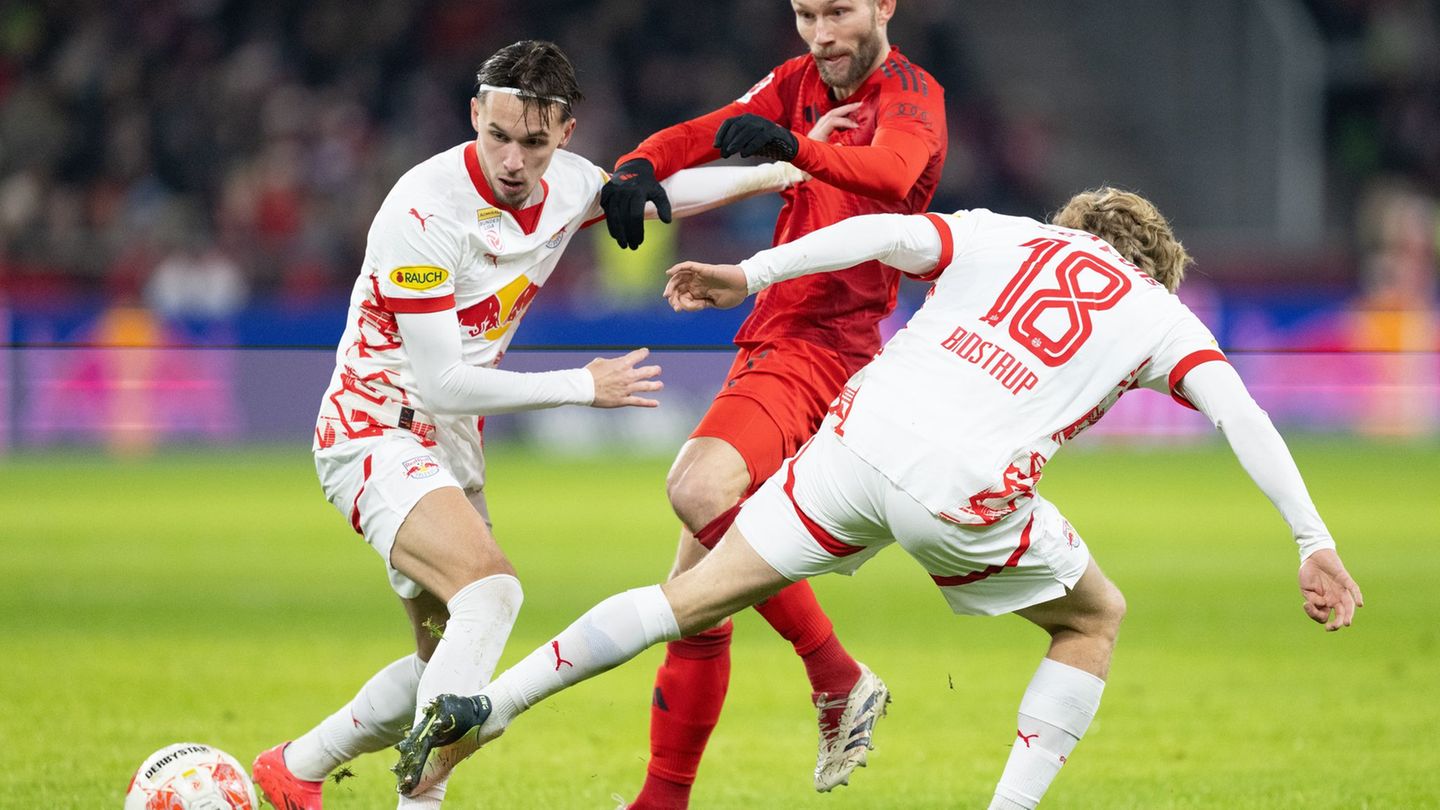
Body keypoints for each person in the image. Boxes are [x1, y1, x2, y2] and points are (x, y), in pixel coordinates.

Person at [392, 188, 1364, 808]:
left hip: (855, 443)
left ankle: (492, 700)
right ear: (1152, 263)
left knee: (687, 600)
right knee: (1095, 618)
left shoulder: (1006, 235)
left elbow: (884, 233)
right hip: (965, 491)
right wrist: (1311, 539)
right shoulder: (1157, 310)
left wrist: (751, 271)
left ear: (1075, 232)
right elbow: (1238, 409)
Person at [251, 40, 814, 810]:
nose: (514, 160)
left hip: (450, 445)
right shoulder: (422, 211)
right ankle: (420, 802)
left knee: (440, 666)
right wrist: (581, 387)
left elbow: (667, 195)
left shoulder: (570, 185)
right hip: (376, 428)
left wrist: (790, 167)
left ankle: (295, 769)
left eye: (535, 142)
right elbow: (446, 383)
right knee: (493, 594)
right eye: (499, 136)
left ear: (566, 133)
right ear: (475, 114)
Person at [597, 0, 947, 802]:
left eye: (838, 13)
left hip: (820, 343)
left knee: (695, 488)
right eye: (804, 14)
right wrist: (636, 166)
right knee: (694, 602)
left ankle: (837, 675)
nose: (821, 35)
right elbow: (708, 130)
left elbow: (893, 173)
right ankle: (660, 801)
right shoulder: (796, 83)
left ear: (884, 6)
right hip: (782, 336)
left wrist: (791, 151)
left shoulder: (911, 94)